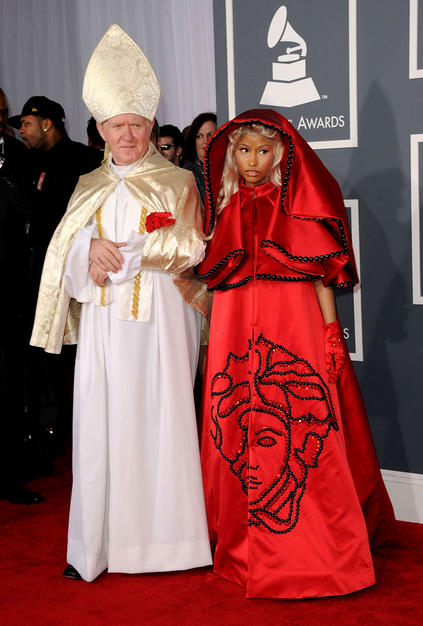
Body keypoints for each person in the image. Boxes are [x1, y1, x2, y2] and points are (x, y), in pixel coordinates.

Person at [30, 24, 212, 582]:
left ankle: (169, 546)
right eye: (116, 125)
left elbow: (192, 246)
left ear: (151, 125)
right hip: (107, 322)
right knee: (102, 424)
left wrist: (129, 253)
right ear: (101, 129)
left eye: (136, 124)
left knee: (163, 421)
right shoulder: (87, 184)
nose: (127, 134)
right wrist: (87, 248)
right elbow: (61, 250)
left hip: (163, 321)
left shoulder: (178, 181)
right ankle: (97, 546)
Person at [196, 109, 396, 599]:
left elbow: (320, 275)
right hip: (233, 328)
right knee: (236, 422)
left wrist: (330, 331)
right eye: (244, 150)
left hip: (292, 325)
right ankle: (238, 541)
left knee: (300, 422)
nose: (252, 161)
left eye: (263, 151)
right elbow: (215, 283)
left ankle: (313, 546)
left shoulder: (296, 208)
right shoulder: (221, 211)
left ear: (280, 155)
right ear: (232, 155)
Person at [8, 97, 102, 445]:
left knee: (76, 350)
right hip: (34, 274)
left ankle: (82, 422)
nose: (21, 131)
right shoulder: (24, 162)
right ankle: (45, 422)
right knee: (39, 350)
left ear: (46, 123)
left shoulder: (85, 160)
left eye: (26, 123)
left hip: (76, 274)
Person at [0, 88, 43, 504]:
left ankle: (10, 470)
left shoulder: (16, 154)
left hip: (12, 283)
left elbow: (32, 209)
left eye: (3, 112)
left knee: (12, 379)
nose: (1, 119)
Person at [183, 112, 216, 202]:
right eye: (199, 136)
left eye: (210, 135)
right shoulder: (187, 174)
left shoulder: (230, 169)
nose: (205, 141)